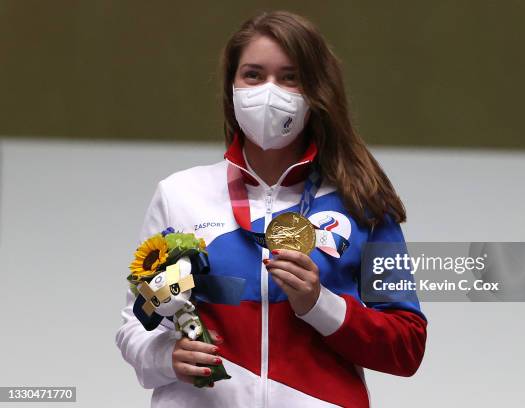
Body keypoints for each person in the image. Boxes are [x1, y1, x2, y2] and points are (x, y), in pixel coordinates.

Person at [115, 10, 427, 408]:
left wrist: (319, 304)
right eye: (254, 75)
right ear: (232, 86)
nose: (268, 91)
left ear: (316, 90)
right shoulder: (180, 194)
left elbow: (407, 345)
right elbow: (136, 323)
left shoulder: (361, 201)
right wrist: (163, 358)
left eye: (289, 77)